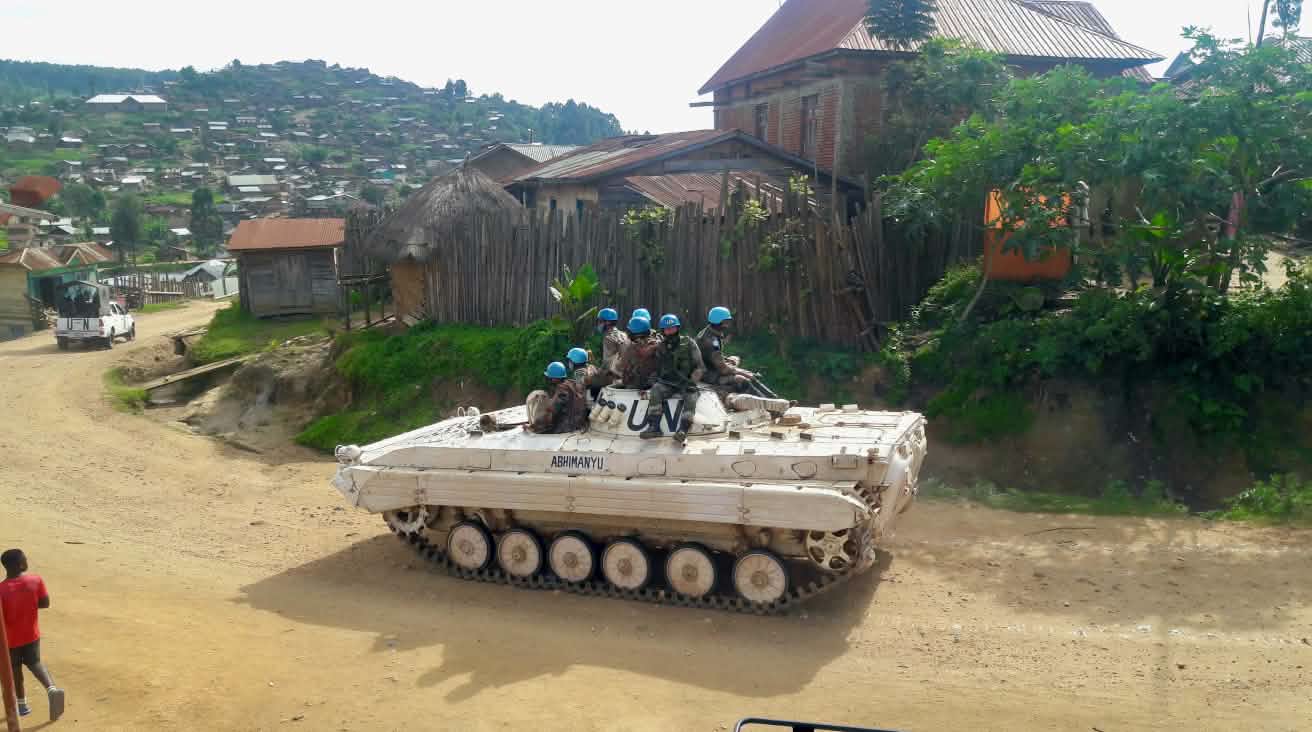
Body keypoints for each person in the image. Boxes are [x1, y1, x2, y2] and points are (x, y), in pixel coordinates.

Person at [1, 549, 64, 721]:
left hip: (9, 640)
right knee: (35, 663)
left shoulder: (1, 589)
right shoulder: (35, 580)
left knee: (14, 670)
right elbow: (45, 603)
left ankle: (22, 706)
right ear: (21, 564)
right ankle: (51, 689)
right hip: (31, 634)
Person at [641, 314, 702, 443]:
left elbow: (700, 367)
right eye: (667, 329)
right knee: (656, 390)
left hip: (686, 382)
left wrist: (692, 381)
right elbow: (657, 369)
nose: (670, 332)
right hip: (668, 383)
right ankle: (654, 427)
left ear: (677, 328)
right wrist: (650, 382)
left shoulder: (689, 343)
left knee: (691, 397)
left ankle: (683, 430)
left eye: (672, 328)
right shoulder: (661, 347)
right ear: (663, 331)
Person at [697, 306, 755, 389]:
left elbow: (709, 355)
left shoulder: (709, 331)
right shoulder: (710, 341)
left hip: (710, 366)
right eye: (725, 322)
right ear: (717, 321)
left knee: (735, 359)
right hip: (708, 374)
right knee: (741, 379)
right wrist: (744, 373)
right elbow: (723, 369)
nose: (727, 325)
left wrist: (727, 360)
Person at [527, 362, 589, 434]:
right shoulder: (572, 383)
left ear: (554, 379)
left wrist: (533, 426)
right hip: (577, 423)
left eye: (549, 377)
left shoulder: (562, 390)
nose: (548, 379)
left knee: (539, 395)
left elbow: (551, 414)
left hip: (565, 427)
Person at [617, 316, 663, 389]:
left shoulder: (627, 346)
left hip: (634, 384)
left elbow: (621, 366)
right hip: (656, 382)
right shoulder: (657, 342)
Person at [595, 308, 628, 383]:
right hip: (627, 373)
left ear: (607, 322)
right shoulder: (623, 334)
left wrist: (598, 372)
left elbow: (607, 362)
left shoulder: (608, 338)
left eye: (600, 321)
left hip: (615, 376)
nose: (599, 324)